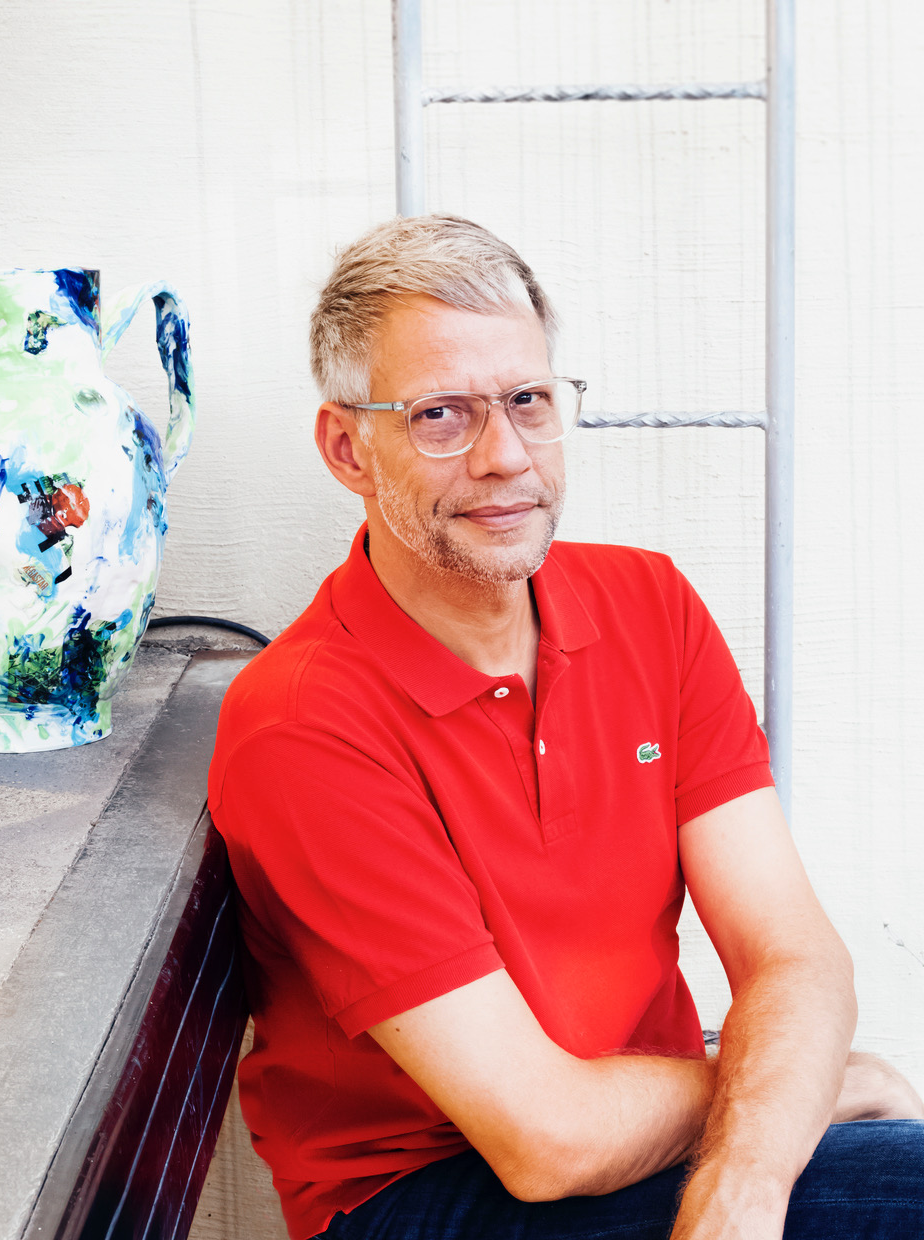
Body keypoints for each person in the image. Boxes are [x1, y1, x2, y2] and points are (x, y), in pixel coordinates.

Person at [208, 214, 924, 1240]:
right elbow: (542, 1140)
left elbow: (793, 952)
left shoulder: (650, 605)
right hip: (420, 1194)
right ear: (347, 448)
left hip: (645, 1143)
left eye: (528, 401)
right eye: (442, 415)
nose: (505, 457)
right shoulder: (303, 722)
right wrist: (809, 1088)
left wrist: (749, 1176)